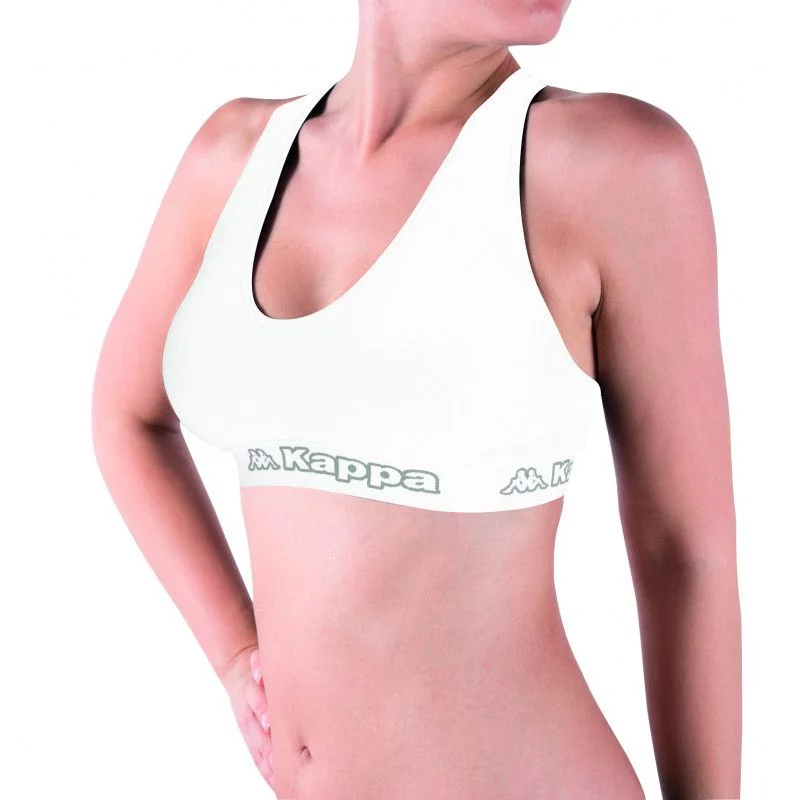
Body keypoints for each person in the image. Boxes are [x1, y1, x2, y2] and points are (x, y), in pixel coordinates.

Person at [91, 1, 742, 797]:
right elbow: (129, 417)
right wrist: (235, 653)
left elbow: (686, 552)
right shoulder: (232, 158)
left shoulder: (611, 166)